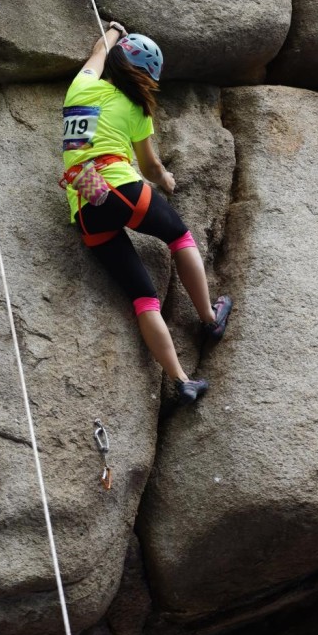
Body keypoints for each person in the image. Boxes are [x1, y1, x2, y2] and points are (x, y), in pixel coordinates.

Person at [61, 22, 232, 404]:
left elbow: (96, 55)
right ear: (145, 76)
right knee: (180, 237)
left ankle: (182, 380)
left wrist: (112, 34)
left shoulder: (82, 87)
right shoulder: (136, 109)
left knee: (144, 299)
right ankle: (208, 317)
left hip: (86, 205)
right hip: (122, 186)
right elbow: (151, 168)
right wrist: (167, 181)